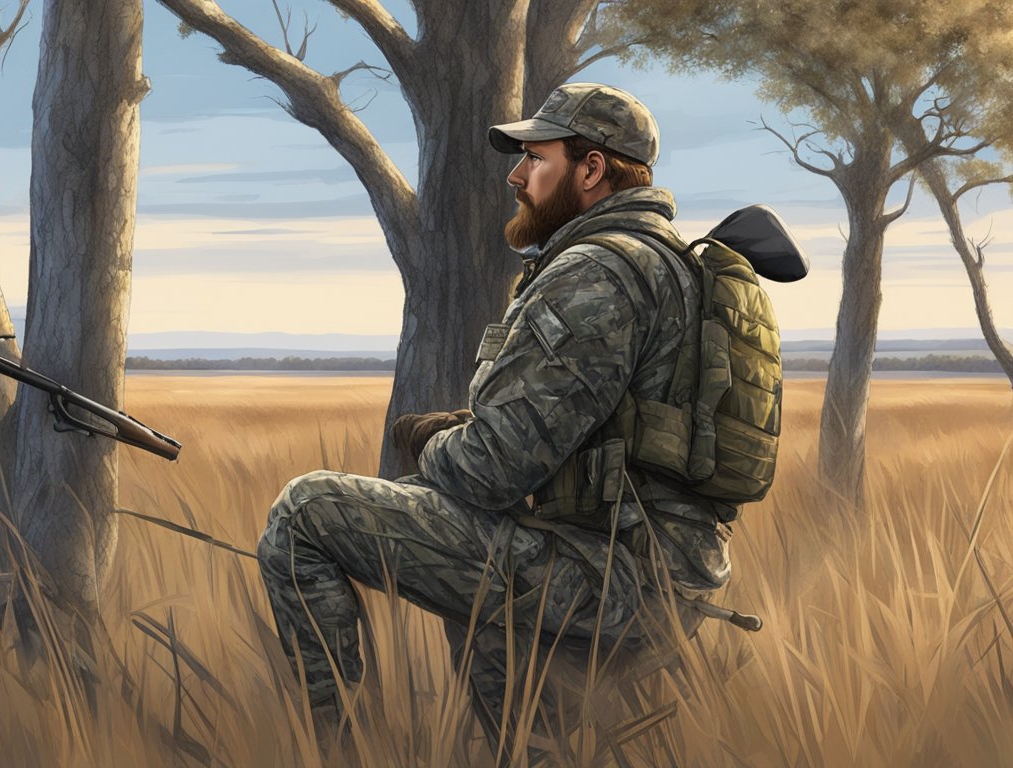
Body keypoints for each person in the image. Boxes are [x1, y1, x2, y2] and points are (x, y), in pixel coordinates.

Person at [257, 83, 735, 753]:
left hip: (610, 579)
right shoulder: (670, 264)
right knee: (540, 742)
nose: (516, 176)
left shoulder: (596, 272)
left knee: (304, 513)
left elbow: (489, 471)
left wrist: (428, 442)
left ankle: (341, 750)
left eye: (535, 159)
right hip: (650, 571)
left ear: (591, 169)